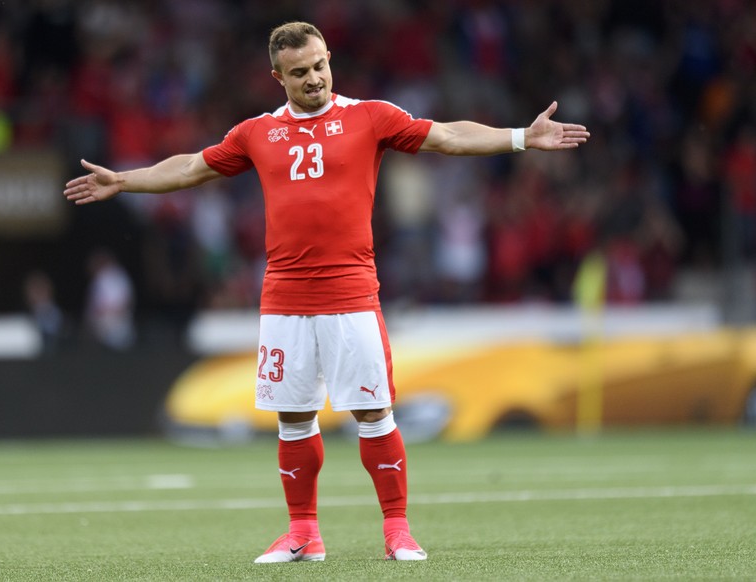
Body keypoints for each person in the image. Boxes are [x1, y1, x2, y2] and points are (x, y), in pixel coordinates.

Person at [64, 21, 589, 563]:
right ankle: (303, 534)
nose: (313, 79)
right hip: (284, 298)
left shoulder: (370, 116)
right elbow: (192, 167)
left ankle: (397, 531)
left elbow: (448, 136)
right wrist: (125, 180)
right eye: (299, 72)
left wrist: (523, 137)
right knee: (293, 419)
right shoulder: (256, 132)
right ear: (278, 77)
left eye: (319, 66)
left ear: (329, 59)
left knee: (374, 413)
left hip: (352, 293)